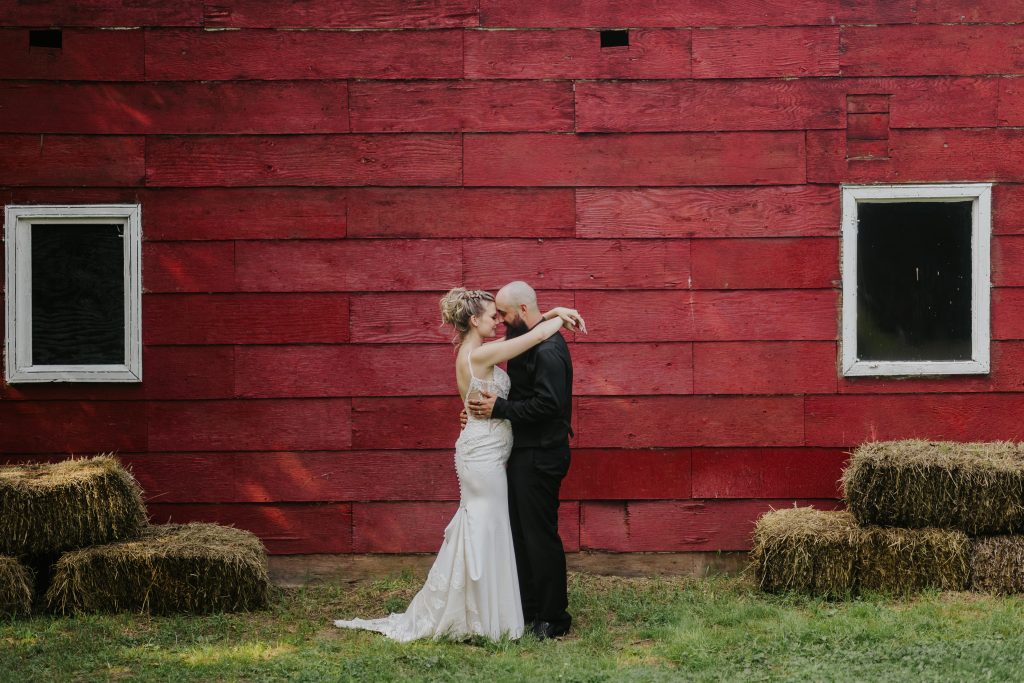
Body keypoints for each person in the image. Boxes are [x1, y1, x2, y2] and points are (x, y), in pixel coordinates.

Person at [334, 287, 584, 642]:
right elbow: (536, 333)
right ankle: (486, 611)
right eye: (492, 314)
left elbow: (531, 355)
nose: (498, 320)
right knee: (490, 527)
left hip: (502, 451)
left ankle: (509, 610)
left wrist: (485, 414)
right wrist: (558, 314)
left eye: (502, 314)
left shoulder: (488, 352)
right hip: (485, 456)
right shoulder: (482, 353)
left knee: (498, 529)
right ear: (473, 319)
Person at [467, 281, 576, 640]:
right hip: (524, 452)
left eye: (504, 313)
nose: (499, 319)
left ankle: (554, 617)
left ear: (523, 312)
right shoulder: (528, 338)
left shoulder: (548, 351)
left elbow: (549, 405)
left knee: (540, 536)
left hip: (542, 454)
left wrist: (499, 409)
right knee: (524, 534)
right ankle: (530, 607)